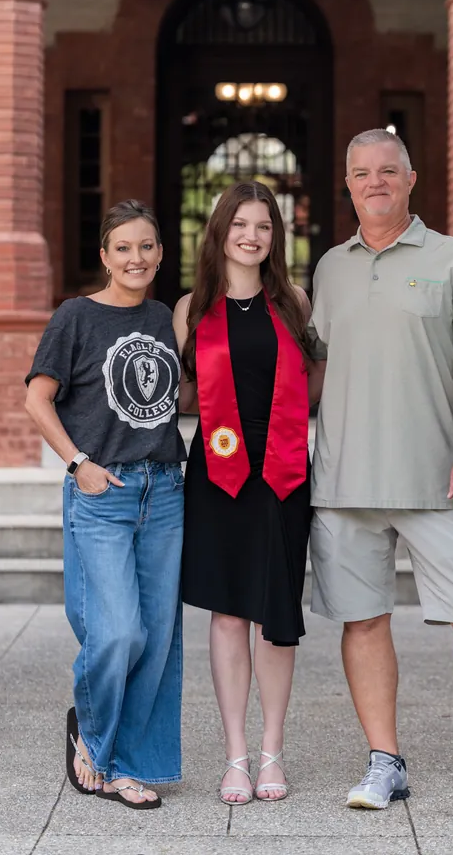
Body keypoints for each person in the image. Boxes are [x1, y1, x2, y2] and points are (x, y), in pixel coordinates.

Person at [307, 128, 453, 822]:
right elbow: (314, 368)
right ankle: (385, 762)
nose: (375, 182)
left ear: (411, 178)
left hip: (438, 479)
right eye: (361, 173)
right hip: (344, 484)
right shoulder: (329, 269)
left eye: (388, 171)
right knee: (363, 623)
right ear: (346, 184)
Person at [25, 200, 185, 810]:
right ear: (104, 256)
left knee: (156, 638)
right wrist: (77, 464)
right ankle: (91, 737)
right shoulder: (76, 316)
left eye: (146, 247)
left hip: (166, 490)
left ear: (161, 254)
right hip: (104, 491)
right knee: (116, 631)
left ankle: (129, 765)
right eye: (123, 248)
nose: (136, 258)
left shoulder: (167, 318)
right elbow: (39, 400)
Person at [173, 181, 314, 806]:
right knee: (228, 612)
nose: (251, 236)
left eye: (263, 226)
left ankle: (271, 751)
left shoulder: (296, 303)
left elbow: (315, 392)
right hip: (217, 470)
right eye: (240, 225)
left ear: (274, 237)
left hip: (282, 469)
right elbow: (172, 396)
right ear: (220, 232)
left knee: (275, 619)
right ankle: (234, 755)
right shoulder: (189, 308)